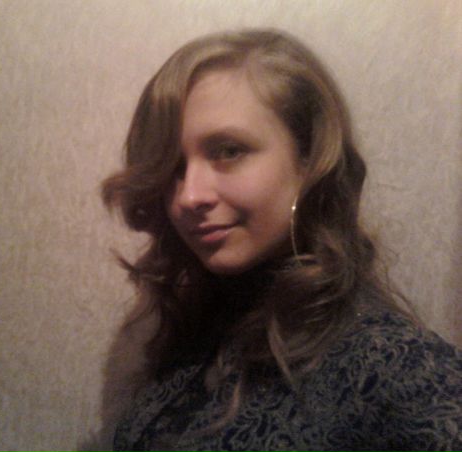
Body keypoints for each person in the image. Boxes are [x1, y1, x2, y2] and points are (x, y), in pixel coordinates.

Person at [100, 29, 462, 452]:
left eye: (228, 151)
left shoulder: (389, 363)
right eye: (174, 166)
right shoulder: (190, 330)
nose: (189, 196)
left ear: (310, 160)